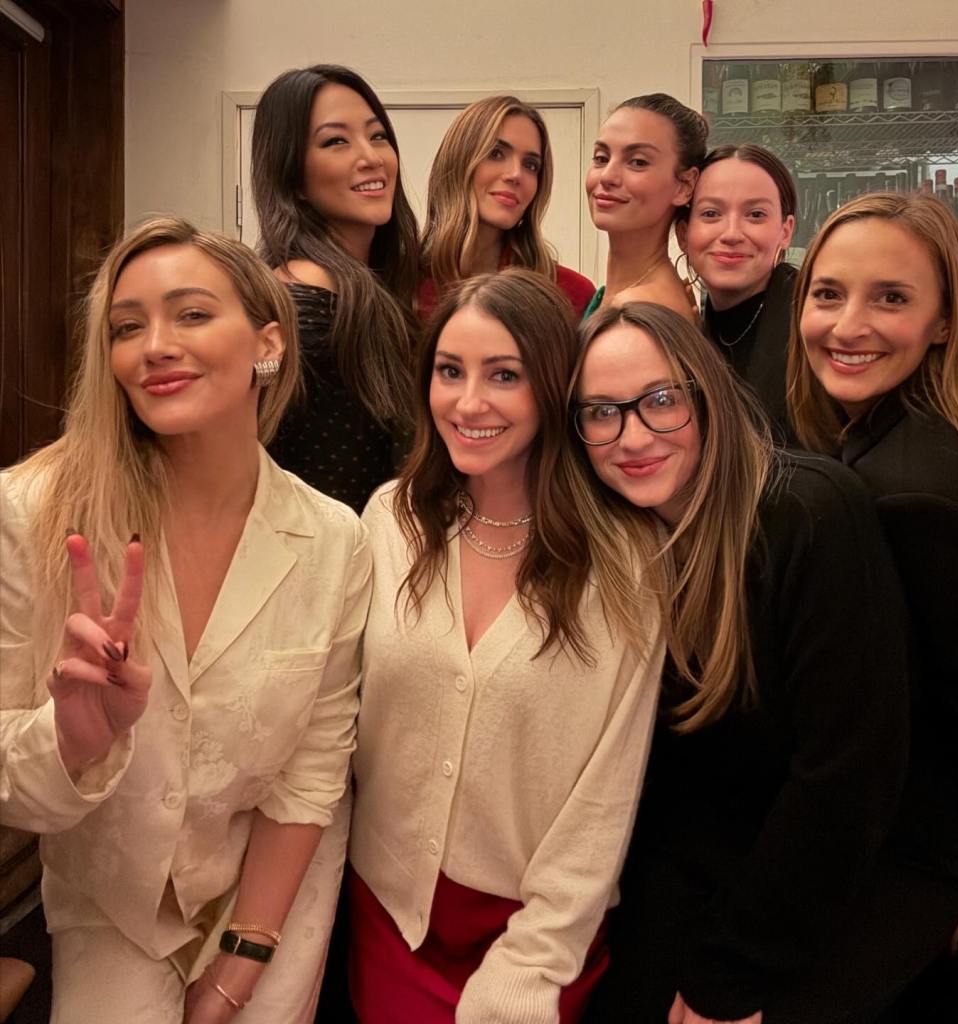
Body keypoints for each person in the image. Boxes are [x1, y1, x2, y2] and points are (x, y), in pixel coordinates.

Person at [0, 217, 371, 1023]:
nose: (155, 346)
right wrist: (74, 738)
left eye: (192, 314)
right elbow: (11, 787)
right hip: (110, 893)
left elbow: (312, 770)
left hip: (271, 883)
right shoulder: (32, 514)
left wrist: (247, 953)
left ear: (267, 343)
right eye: (127, 328)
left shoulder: (335, 540)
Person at [571, 302, 918, 1024]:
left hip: (805, 909)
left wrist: (728, 980)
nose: (631, 436)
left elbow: (847, 773)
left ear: (710, 398)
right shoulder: (621, 546)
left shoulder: (809, 515)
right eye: (601, 412)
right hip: (679, 891)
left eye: (661, 401)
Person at [347, 269, 664, 1023]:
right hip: (385, 910)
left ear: (553, 389)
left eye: (504, 376)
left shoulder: (624, 558)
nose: (469, 402)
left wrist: (535, 963)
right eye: (450, 372)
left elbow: (607, 794)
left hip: (538, 930)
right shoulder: (390, 519)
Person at [788, 191, 958, 1022]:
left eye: (890, 298)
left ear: (947, 321)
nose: (848, 325)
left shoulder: (910, 489)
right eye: (828, 294)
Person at [251, 64, 419, 509]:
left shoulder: (368, 288)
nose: (371, 157)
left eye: (377, 135)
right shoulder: (309, 296)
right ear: (293, 179)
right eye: (336, 141)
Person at [418, 95, 595, 320]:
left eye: (531, 165)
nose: (515, 175)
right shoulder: (399, 282)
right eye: (495, 153)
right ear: (459, 161)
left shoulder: (570, 293)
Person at [677, 143, 797, 436]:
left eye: (755, 215)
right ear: (683, 234)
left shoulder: (812, 321)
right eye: (710, 214)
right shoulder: (692, 322)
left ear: (785, 231)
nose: (731, 234)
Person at [583, 94, 705, 322]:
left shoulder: (639, 314)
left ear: (684, 185)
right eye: (601, 158)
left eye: (638, 162)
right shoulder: (621, 296)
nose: (608, 176)